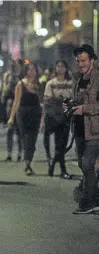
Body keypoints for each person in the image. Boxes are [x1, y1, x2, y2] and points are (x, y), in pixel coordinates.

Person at [71, 44, 99, 214]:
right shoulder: (78, 78)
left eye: (83, 61)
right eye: (78, 61)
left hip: (95, 130)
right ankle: (94, 196)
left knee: (88, 164)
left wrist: (85, 109)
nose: (80, 64)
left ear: (92, 60)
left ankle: (88, 202)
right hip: (80, 128)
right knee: (83, 164)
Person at [40, 60, 73, 179]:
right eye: (58, 66)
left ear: (66, 68)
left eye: (62, 66)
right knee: (58, 144)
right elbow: (47, 101)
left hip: (65, 117)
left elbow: (73, 99)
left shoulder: (71, 83)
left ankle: (54, 164)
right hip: (53, 117)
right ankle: (62, 170)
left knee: (62, 144)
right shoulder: (50, 83)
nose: (60, 68)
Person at [8, 63, 42, 176]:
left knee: (32, 140)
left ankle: (28, 160)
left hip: (36, 114)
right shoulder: (20, 84)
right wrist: (11, 118)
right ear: (26, 71)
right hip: (23, 114)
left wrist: (42, 118)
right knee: (26, 139)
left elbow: (42, 102)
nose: (32, 71)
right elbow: (16, 102)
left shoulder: (39, 84)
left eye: (34, 69)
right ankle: (27, 164)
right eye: (30, 69)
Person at [3, 60, 23, 162]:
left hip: (19, 105)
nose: (13, 68)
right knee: (10, 131)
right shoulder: (8, 76)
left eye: (14, 66)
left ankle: (19, 153)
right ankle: (10, 153)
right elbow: (5, 92)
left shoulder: (21, 77)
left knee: (19, 131)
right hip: (10, 106)